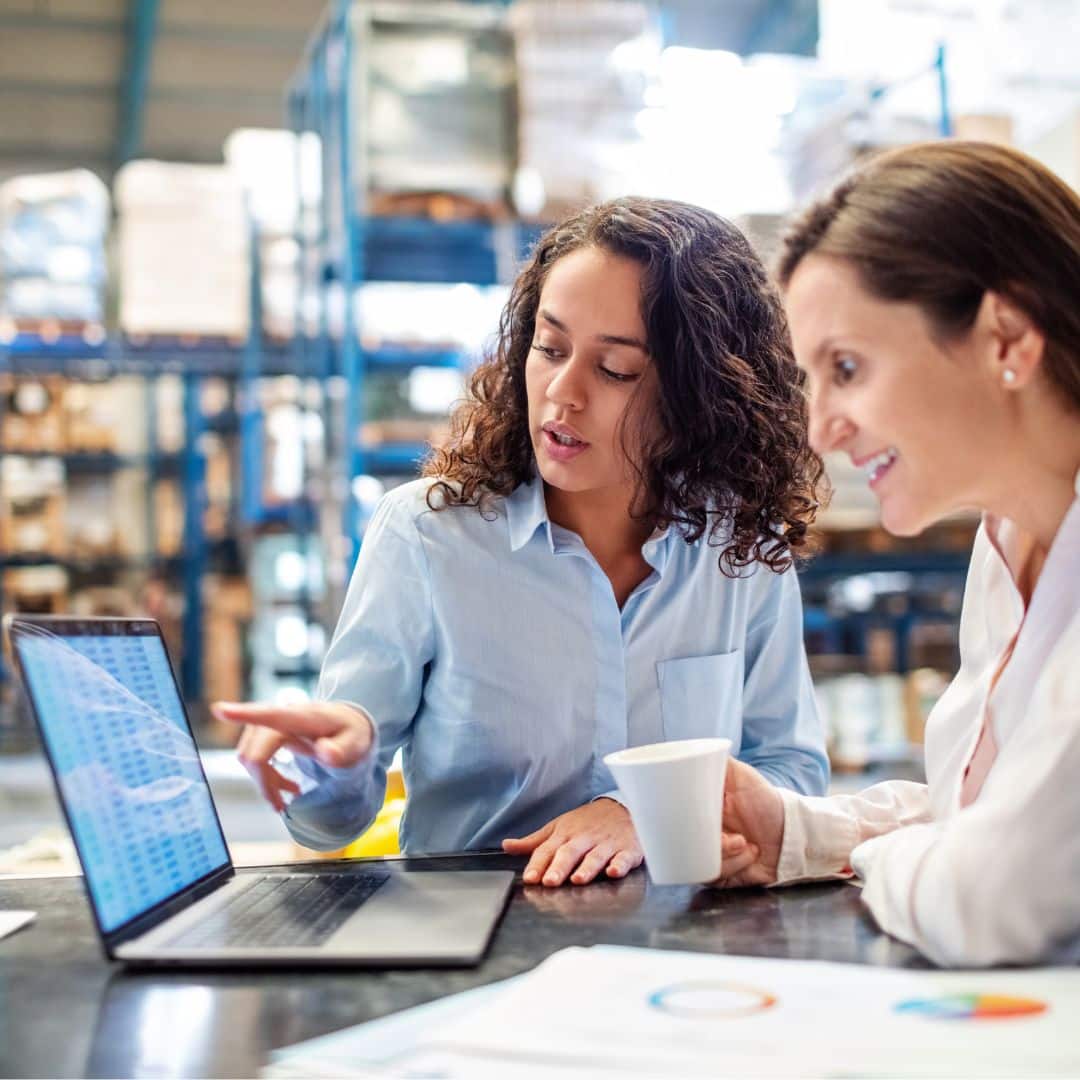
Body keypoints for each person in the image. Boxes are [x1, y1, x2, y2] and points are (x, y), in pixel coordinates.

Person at [215, 196, 829, 887]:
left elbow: (793, 772)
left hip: (682, 943)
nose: (563, 393)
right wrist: (335, 766)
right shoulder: (426, 535)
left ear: (701, 395)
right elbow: (328, 826)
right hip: (477, 939)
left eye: (615, 369)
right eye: (550, 347)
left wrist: (640, 811)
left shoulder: (740, 548)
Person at [714, 141, 1080, 966]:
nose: (821, 429)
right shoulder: (1010, 539)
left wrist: (879, 857)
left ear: (1008, 337)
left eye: (846, 367)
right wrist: (799, 830)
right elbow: (998, 813)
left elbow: (991, 895)